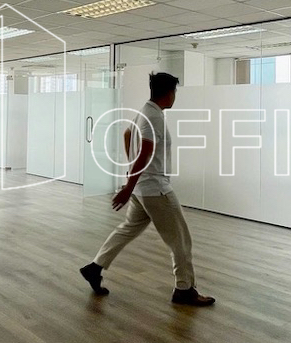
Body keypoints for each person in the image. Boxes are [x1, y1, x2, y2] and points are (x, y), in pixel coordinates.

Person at [80, 72, 215, 307]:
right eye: (175, 92)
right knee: (181, 240)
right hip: (155, 189)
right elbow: (145, 153)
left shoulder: (145, 112)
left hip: (142, 189)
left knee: (127, 229)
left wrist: (130, 175)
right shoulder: (154, 117)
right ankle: (184, 289)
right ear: (168, 93)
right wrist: (128, 185)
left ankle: (95, 267)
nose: (175, 96)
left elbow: (127, 134)